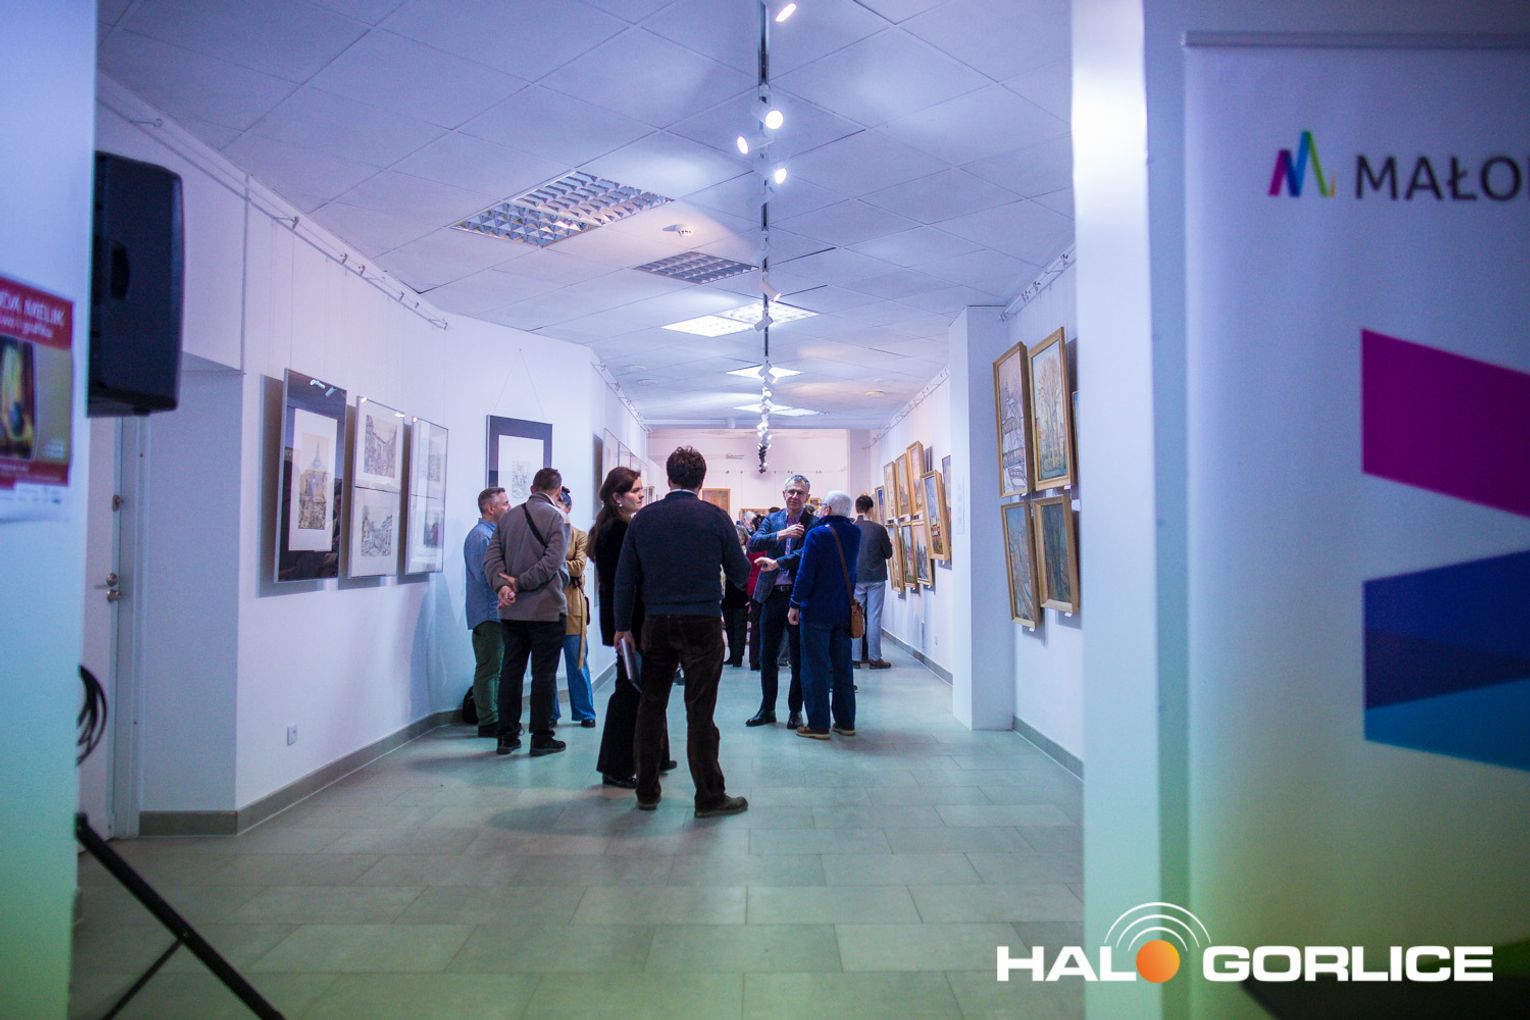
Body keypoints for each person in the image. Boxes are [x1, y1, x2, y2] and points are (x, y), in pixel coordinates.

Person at [614, 445, 750, 817]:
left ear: (669, 478)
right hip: (702, 622)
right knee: (700, 711)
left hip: (656, 621)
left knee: (651, 705)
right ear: (701, 481)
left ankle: (646, 790)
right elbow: (740, 574)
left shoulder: (644, 519)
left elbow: (625, 580)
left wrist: (623, 626)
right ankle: (708, 796)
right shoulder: (716, 518)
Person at [592, 467, 673, 789]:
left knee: (648, 684)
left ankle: (657, 754)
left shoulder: (622, 527)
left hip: (633, 619)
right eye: (635, 490)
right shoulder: (616, 531)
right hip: (630, 622)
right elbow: (623, 584)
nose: (641, 494)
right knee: (629, 690)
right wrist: (624, 626)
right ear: (617, 497)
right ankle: (616, 765)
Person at [484, 467, 568, 757]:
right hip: (546, 610)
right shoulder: (557, 518)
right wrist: (519, 584)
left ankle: (506, 736)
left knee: (510, 672)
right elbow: (551, 564)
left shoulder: (508, 518)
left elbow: (491, 560)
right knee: (544, 675)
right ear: (558, 491)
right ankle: (541, 737)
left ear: (532, 488)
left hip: (512, 612)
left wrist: (503, 588)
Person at [747, 474, 820, 728]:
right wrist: (781, 534)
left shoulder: (814, 523)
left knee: (798, 657)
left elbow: (805, 554)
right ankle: (767, 709)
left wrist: (777, 562)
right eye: (791, 491)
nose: (794, 496)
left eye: (800, 492)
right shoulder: (773, 520)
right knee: (767, 655)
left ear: (807, 497)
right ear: (783, 494)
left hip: (797, 597)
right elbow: (754, 543)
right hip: (771, 595)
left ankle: (795, 711)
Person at [788, 490, 862, 739]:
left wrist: (795, 603)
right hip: (843, 611)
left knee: (814, 668)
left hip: (817, 611)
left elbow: (806, 574)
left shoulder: (817, 534)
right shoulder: (855, 533)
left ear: (827, 509)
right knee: (842, 669)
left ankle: (818, 724)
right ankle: (845, 722)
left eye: (822, 506)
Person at [464, 487, 509, 738]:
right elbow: (486, 576)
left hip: (496, 613)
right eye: (505, 503)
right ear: (491, 508)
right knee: (489, 668)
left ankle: (495, 716)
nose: (509, 508)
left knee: (497, 668)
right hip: (489, 614)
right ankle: (488, 720)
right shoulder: (481, 538)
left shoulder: (492, 536)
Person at [556, 487, 597, 727]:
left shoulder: (579, 536)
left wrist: (551, 563)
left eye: (559, 506)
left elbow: (579, 566)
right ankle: (550, 714)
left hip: (573, 607)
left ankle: (585, 712)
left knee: (578, 662)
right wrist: (564, 565)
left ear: (568, 509)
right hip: (547, 607)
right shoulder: (543, 536)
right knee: (546, 668)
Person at [852, 493, 894, 670]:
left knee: (856, 616)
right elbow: (888, 553)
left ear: (856, 509)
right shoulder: (878, 529)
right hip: (876, 577)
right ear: (871, 509)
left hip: (856, 577)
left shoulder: (851, 528)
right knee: (874, 617)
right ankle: (875, 658)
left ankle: (854, 658)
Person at [722, 524, 751, 668]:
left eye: (739, 535)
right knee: (729, 626)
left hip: (742, 595)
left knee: (740, 627)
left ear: (744, 537)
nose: (737, 538)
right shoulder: (727, 552)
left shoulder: (748, 553)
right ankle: (732, 654)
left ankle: (738, 656)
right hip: (727, 594)